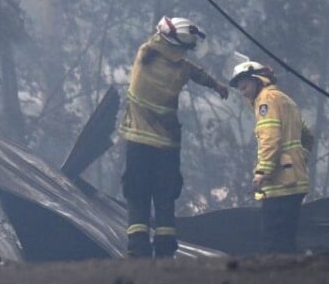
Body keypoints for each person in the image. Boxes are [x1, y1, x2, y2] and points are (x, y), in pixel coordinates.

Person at [119, 16, 229, 258]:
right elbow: (196, 72)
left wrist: (168, 28)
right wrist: (216, 85)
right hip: (167, 148)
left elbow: (158, 41)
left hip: (138, 143)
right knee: (164, 197)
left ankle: (138, 248)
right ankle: (165, 249)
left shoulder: (144, 56)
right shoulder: (180, 70)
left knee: (137, 194)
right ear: (178, 48)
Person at [229, 54, 314, 254]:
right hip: (296, 180)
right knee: (287, 238)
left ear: (258, 80)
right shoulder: (285, 99)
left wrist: (262, 172)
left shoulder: (265, 100)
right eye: (239, 89)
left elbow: (270, 138)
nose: (242, 93)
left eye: (245, 87)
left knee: (272, 239)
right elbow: (308, 136)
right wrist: (300, 157)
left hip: (280, 183)